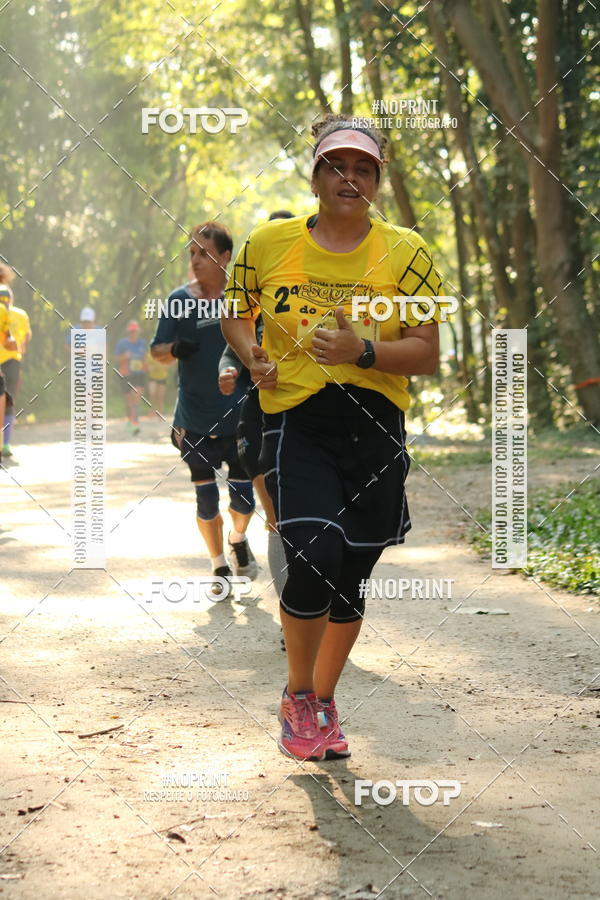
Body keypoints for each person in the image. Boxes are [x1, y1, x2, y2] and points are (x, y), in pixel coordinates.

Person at [222, 115, 446, 761]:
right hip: (301, 420)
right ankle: (298, 697)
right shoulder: (268, 242)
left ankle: (323, 700)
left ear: (377, 181)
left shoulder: (407, 251)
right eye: (336, 167)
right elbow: (235, 313)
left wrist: (362, 350)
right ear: (315, 177)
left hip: (376, 426)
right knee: (314, 555)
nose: (350, 178)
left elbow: (428, 352)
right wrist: (252, 352)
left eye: (364, 169)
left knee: (351, 575)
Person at [151, 221, 258, 596]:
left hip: (240, 417)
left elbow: (263, 344)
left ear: (225, 257)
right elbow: (157, 350)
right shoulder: (178, 300)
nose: (195, 260)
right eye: (192, 253)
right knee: (206, 497)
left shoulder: (244, 298)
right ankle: (219, 567)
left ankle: (238, 538)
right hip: (194, 419)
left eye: (204, 254)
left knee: (244, 499)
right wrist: (174, 349)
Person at [218, 211, 294, 637]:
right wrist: (232, 368)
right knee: (278, 517)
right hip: (258, 415)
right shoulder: (250, 295)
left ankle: (317, 615)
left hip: (311, 415)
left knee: (313, 521)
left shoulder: (322, 292)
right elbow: (231, 345)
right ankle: (293, 620)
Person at [0, 286, 32, 461]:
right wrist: (21, 349)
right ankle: (5, 444)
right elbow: (27, 335)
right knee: (8, 401)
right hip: (12, 361)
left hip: (9, 361)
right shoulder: (20, 314)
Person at [0, 264, 18, 465]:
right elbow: (8, 341)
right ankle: (4, 444)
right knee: (5, 401)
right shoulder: (7, 313)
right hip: (8, 361)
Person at [115, 321, 147, 435]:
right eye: (131, 331)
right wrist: (124, 356)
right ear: (128, 332)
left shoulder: (142, 343)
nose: (133, 333)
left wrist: (146, 367)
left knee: (136, 397)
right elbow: (116, 358)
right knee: (129, 401)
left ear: (138, 331)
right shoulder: (122, 343)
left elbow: (145, 357)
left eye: (135, 331)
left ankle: (135, 424)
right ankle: (130, 421)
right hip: (126, 375)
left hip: (139, 375)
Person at [145, 351, 168, 416]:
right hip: (152, 377)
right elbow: (147, 366)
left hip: (162, 377)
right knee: (152, 393)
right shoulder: (149, 355)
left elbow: (166, 366)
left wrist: (161, 366)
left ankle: (160, 412)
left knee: (160, 396)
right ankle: (152, 411)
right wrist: (150, 368)